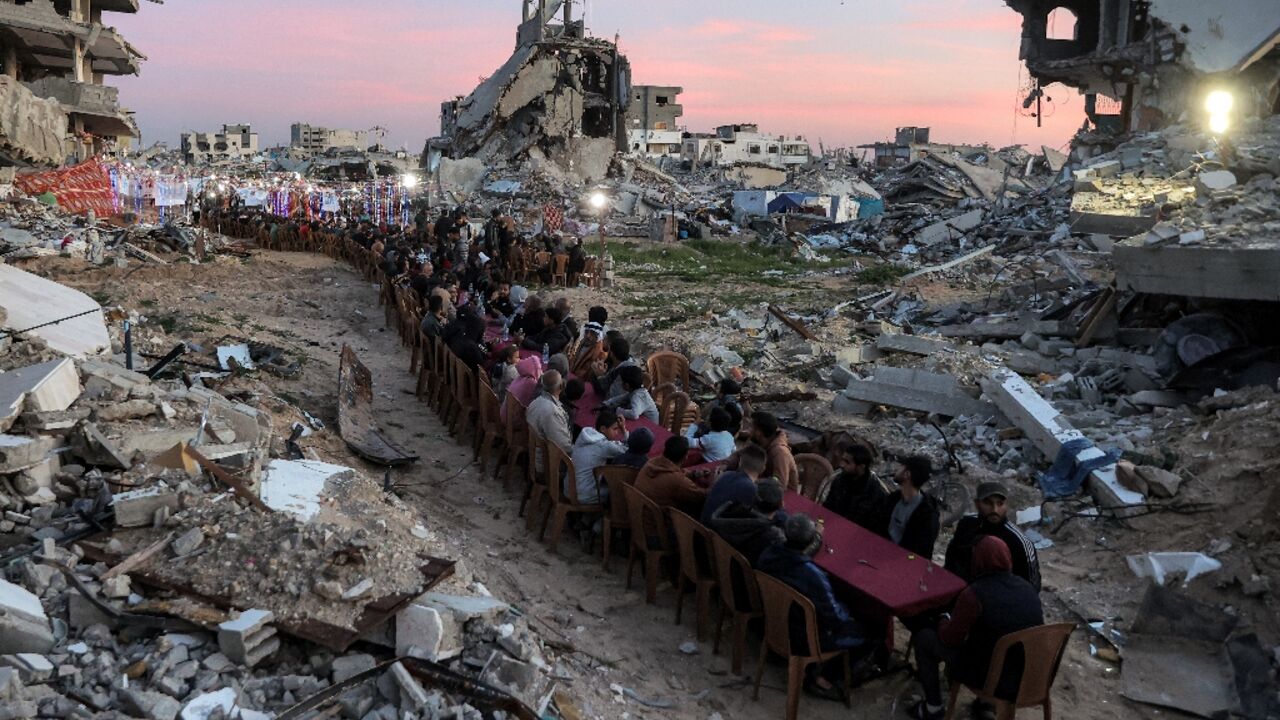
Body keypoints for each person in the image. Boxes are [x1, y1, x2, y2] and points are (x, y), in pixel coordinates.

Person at [909, 537, 1044, 720]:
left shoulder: (974, 593)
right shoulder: (1028, 589)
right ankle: (984, 704)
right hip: (1029, 676)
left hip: (990, 678)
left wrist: (943, 618)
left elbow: (950, 638)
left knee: (924, 638)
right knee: (993, 642)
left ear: (977, 560)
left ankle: (933, 707)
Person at [757, 514, 870, 701]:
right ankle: (825, 679)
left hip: (774, 623)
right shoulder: (813, 576)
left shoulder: (769, 554)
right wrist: (848, 609)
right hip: (804, 639)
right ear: (810, 542)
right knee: (870, 632)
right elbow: (835, 619)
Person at [944, 482, 1041, 591]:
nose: (994, 510)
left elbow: (1031, 588)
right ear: (977, 504)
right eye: (988, 503)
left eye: (1000, 504)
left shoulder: (1019, 542)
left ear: (1006, 505)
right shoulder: (967, 524)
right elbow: (952, 561)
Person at [873, 455, 941, 559]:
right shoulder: (893, 499)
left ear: (907, 474)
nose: (896, 469)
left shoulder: (927, 515)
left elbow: (920, 553)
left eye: (901, 467)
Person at [708, 477, 786, 566]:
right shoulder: (772, 539)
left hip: (722, 567)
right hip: (744, 577)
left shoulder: (728, 512)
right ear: (781, 505)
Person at [819, 441, 889, 529]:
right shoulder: (839, 480)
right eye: (842, 460)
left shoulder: (877, 493)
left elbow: (874, 528)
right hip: (833, 528)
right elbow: (826, 509)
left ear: (861, 467)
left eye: (847, 462)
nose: (841, 465)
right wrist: (820, 523)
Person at [635, 437, 707, 518]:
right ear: (685, 457)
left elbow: (673, 471)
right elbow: (702, 497)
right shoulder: (678, 480)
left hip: (639, 515)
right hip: (659, 525)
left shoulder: (651, 462)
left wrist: (694, 474)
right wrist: (716, 482)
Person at [726, 412, 798, 491]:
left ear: (759, 432)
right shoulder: (758, 442)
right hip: (760, 485)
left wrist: (750, 481)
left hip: (780, 495)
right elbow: (740, 454)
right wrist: (726, 465)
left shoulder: (780, 452)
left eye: (751, 427)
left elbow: (779, 483)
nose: (748, 431)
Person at [570, 408, 628, 505]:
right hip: (582, 495)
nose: (617, 433)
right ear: (603, 429)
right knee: (619, 493)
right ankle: (597, 519)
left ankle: (587, 517)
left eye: (618, 429)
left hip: (569, 488)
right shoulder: (605, 446)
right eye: (615, 429)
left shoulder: (585, 435)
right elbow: (628, 450)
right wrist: (624, 430)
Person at [701, 444, 769, 525]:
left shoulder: (726, 475)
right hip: (715, 535)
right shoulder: (752, 489)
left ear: (740, 462)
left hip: (699, 527)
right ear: (763, 469)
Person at [527, 371, 573, 476]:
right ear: (560, 387)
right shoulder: (552, 412)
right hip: (546, 465)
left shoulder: (535, 402)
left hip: (535, 456)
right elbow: (564, 448)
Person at [500, 355, 543, 425]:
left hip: (505, 414)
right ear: (534, 369)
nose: (540, 371)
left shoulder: (520, 378)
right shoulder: (531, 383)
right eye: (539, 368)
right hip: (512, 422)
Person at [594, 337, 640, 403]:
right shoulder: (629, 361)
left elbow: (611, 397)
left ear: (612, 354)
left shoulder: (624, 373)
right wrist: (603, 374)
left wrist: (599, 376)